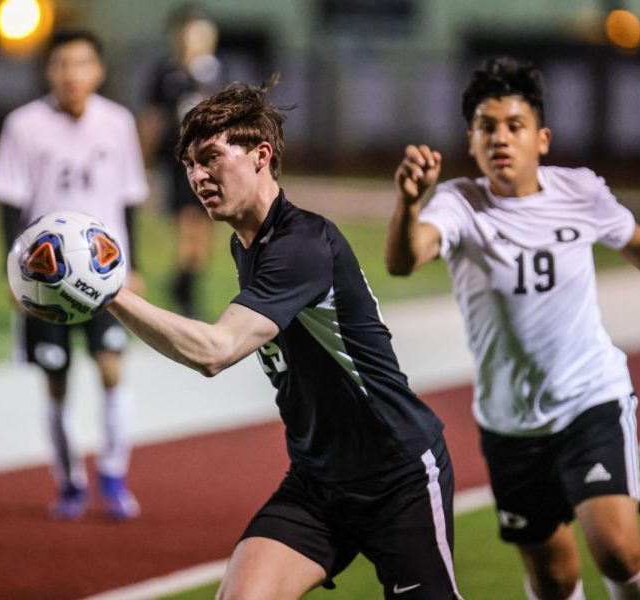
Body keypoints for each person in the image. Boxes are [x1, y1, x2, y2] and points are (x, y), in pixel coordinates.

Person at [386, 57, 640, 600]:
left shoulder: (580, 191)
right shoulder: (459, 203)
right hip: (510, 422)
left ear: (541, 139)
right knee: (555, 579)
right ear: (470, 141)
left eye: (514, 126)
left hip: (591, 399)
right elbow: (404, 259)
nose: (500, 139)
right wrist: (407, 201)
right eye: (486, 128)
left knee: (618, 548)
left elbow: (639, 243)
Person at [107, 78, 462, 599]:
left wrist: (106, 292)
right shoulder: (246, 243)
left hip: (396, 474)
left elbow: (215, 351)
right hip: (318, 479)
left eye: (210, 157)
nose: (197, 176)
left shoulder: (301, 245)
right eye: (188, 164)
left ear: (260, 155)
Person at [0, 29, 149, 521]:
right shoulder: (24, 124)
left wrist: (133, 263)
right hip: (43, 279)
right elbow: (9, 203)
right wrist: (12, 274)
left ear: (98, 71)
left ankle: (115, 477)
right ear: (48, 71)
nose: (71, 74)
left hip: (104, 276)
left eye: (81, 64)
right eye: (60, 64)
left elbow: (129, 198)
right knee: (56, 379)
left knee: (111, 369)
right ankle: (70, 482)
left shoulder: (118, 123)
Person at [138, 3, 226, 318]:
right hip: (180, 162)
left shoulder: (214, 72)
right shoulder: (168, 73)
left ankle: (183, 285)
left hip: (212, 161)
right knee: (189, 225)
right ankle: (186, 294)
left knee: (207, 230)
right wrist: (142, 161)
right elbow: (153, 120)